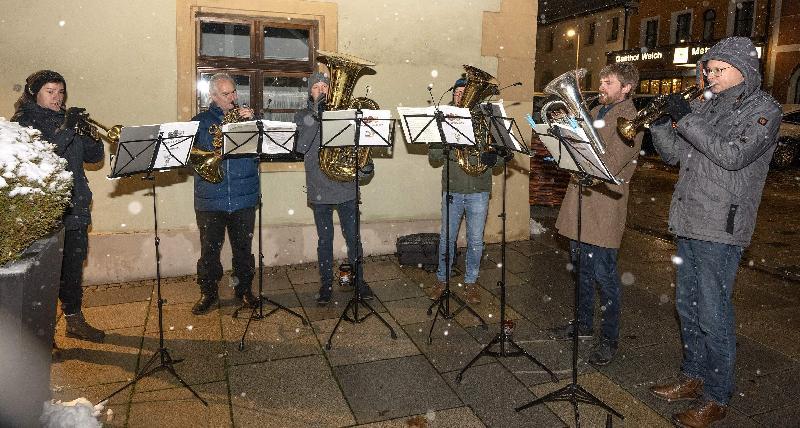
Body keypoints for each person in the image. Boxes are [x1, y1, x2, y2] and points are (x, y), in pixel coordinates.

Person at [647, 37, 782, 428]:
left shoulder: (764, 110)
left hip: (722, 224)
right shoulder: (707, 105)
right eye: (708, 68)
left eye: (718, 69)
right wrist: (660, 127)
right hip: (689, 216)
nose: (709, 75)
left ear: (744, 70)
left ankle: (717, 397)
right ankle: (693, 376)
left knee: (713, 312)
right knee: (686, 306)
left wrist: (686, 119)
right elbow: (675, 154)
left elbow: (733, 155)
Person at [549, 62, 643, 366]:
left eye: (609, 82)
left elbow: (611, 162)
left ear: (626, 88)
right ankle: (583, 325)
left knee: (605, 276)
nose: (601, 87)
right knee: (581, 272)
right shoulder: (595, 111)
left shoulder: (631, 119)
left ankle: (609, 339)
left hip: (604, 205)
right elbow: (575, 155)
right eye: (601, 81)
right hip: (581, 200)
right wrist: (563, 132)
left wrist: (580, 137)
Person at [12, 70, 106, 342]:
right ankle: (40, 334)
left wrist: (89, 134)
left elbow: (95, 157)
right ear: (35, 93)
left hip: (75, 206)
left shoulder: (67, 120)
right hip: (46, 211)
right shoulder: (24, 123)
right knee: (44, 276)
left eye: (60, 91)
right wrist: (67, 129)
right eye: (50, 91)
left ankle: (74, 321)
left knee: (72, 270)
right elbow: (44, 158)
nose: (57, 96)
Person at [428, 76, 511, 305]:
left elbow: (501, 163)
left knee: (475, 241)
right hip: (453, 188)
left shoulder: (487, 121)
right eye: (456, 92)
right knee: (447, 238)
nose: (460, 95)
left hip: (479, 190)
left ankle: (471, 282)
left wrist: (492, 158)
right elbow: (434, 158)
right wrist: (445, 145)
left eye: (465, 92)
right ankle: (442, 280)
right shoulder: (442, 119)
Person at [294, 72, 376, 305]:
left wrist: (365, 166)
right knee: (325, 239)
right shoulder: (302, 116)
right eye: (316, 87)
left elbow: (360, 146)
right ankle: (326, 284)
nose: (321, 90)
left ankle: (360, 281)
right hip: (319, 186)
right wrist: (316, 114)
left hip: (346, 185)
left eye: (325, 86)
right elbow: (301, 146)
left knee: (353, 238)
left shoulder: (345, 115)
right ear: (310, 92)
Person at [190, 73, 260, 315]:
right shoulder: (199, 122)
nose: (232, 98)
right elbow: (192, 157)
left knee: (243, 249)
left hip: (244, 195)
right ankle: (208, 293)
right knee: (209, 251)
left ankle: (244, 290)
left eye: (233, 92)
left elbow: (262, 149)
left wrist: (254, 123)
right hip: (211, 197)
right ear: (212, 96)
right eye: (225, 94)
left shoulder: (248, 119)